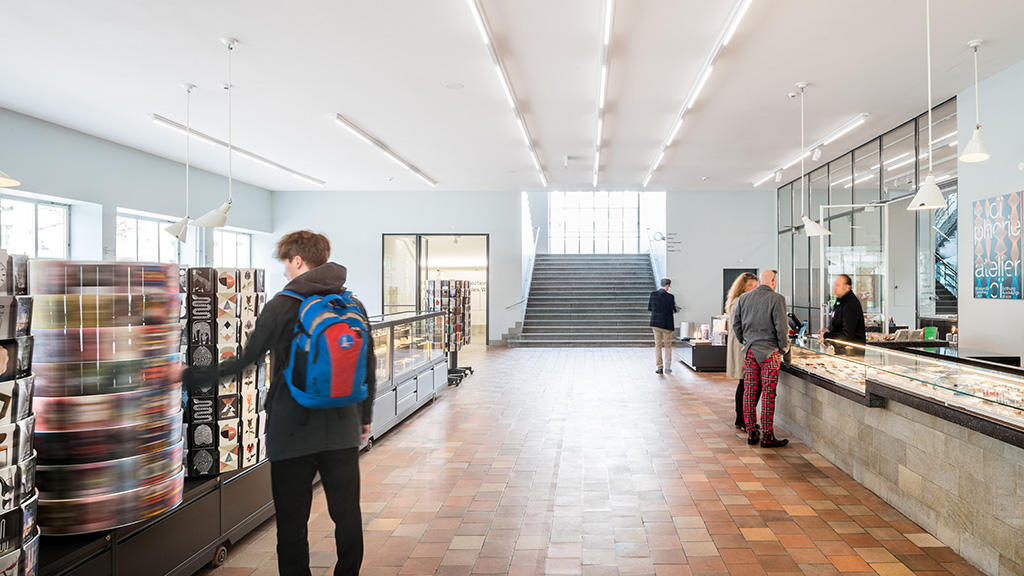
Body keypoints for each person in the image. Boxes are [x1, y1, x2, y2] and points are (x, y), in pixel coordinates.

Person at [193, 230, 375, 576]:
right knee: (347, 515)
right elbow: (368, 365)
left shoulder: (281, 305)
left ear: (297, 261)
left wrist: (189, 375)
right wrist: (364, 417)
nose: (286, 273)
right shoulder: (352, 304)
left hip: (291, 432)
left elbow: (244, 362)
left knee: (292, 524)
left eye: (286, 265)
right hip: (342, 428)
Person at [733, 270, 789, 448]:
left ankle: (751, 432)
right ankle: (767, 435)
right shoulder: (777, 299)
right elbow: (782, 328)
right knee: (768, 394)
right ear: (773, 281)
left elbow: (736, 325)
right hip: (770, 352)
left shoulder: (744, 298)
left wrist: (746, 341)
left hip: (750, 351)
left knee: (749, 391)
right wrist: (784, 348)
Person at [724, 272, 758, 430]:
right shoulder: (740, 301)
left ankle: (742, 418)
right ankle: (744, 419)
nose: (752, 289)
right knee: (747, 383)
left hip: (741, 344)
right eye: (750, 286)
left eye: (754, 286)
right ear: (742, 286)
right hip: (742, 346)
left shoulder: (738, 300)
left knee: (744, 383)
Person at [819, 273, 866, 343]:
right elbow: (838, 324)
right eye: (834, 284)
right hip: (840, 349)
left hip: (851, 351)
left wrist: (827, 335)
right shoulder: (841, 302)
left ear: (847, 287)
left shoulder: (850, 304)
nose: (834, 288)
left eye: (837, 285)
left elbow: (847, 335)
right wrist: (829, 330)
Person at [649, 278, 679, 375]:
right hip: (667, 325)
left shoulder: (653, 295)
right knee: (668, 346)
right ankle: (668, 367)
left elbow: (650, 308)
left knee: (658, 345)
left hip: (656, 323)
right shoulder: (670, 297)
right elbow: (673, 309)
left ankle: (659, 367)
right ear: (667, 285)